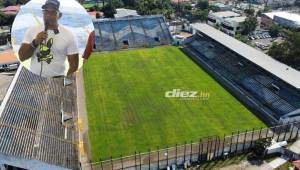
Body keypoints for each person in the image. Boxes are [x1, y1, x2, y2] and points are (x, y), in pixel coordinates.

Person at [18, 0, 79, 77]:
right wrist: (35, 42)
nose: (48, 15)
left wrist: (65, 82)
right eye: (46, 12)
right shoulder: (31, 31)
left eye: (53, 12)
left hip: (57, 79)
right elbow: (22, 57)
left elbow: (74, 65)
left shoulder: (69, 35)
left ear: (59, 15)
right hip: (34, 79)